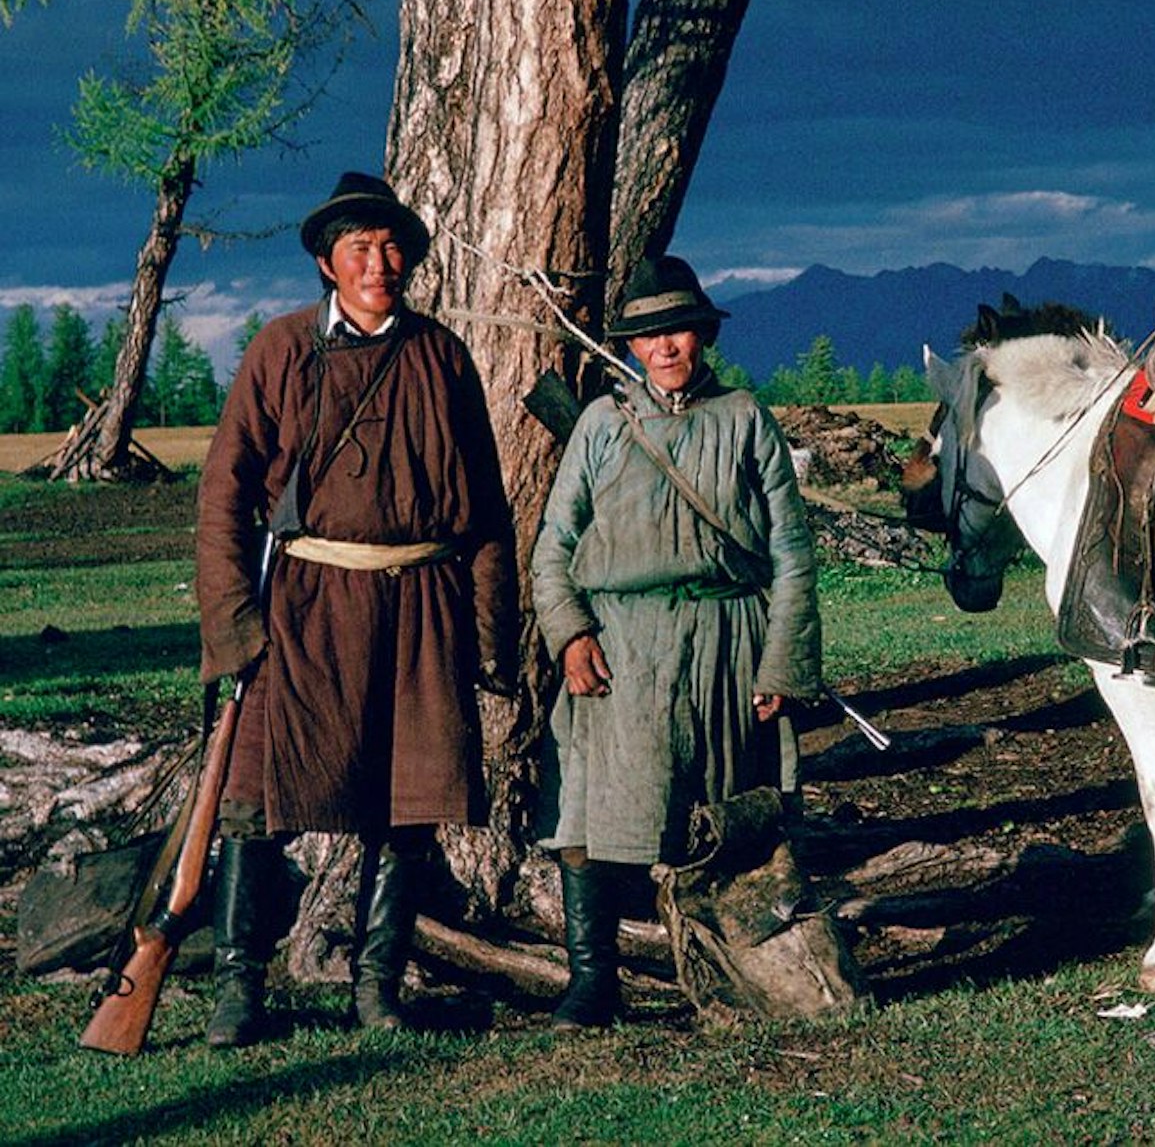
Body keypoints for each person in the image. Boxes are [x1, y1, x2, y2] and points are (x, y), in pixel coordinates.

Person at [194, 171, 519, 1047]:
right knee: (252, 800)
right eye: (359, 248)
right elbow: (224, 495)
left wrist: (491, 636)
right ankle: (238, 987)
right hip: (301, 613)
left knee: (409, 802)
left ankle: (377, 986)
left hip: (421, 612)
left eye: (390, 246)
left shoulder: (443, 357)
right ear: (327, 263)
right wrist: (235, 626)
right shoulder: (281, 349)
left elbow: (487, 515)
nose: (379, 263)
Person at [531, 254, 822, 1030]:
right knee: (591, 811)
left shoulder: (745, 418)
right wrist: (570, 634)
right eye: (650, 335)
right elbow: (554, 546)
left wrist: (782, 660)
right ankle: (593, 980)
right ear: (631, 346)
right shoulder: (601, 424)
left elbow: (792, 552)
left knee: (732, 816)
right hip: (621, 648)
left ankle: (741, 975)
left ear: (703, 335)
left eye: (680, 330)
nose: (666, 347)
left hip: (729, 643)